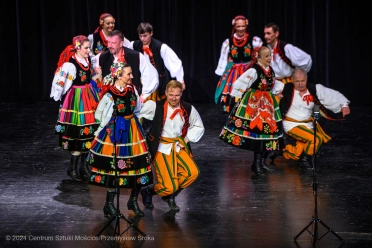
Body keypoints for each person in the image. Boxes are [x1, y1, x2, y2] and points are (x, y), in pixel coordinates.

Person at [88, 62, 153, 217]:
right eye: (128, 74)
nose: (132, 76)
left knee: (138, 165)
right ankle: (109, 204)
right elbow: (99, 114)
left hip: (133, 129)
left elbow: (136, 108)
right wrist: (106, 128)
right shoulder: (110, 95)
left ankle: (133, 201)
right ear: (119, 75)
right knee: (114, 168)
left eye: (131, 73)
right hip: (117, 130)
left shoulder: (132, 90)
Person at [138, 80, 205, 211]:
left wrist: (186, 138)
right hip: (161, 147)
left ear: (181, 94)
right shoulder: (155, 106)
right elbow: (137, 115)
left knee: (192, 173)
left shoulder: (187, 108)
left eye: (177, 95)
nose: (173, 98)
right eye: (171, 95)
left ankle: (168, 194)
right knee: (169, 186)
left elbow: (198, 125)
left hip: (178, 145)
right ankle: (151, 191)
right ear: (166, 93)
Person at [219, 46, 285, 176]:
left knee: (267, 133)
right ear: (257, 57)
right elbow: (240, 83)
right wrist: (232, 98)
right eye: (266, 56)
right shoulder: (254, 71)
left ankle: (260, 163)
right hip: (255, 105)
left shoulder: (270, 70)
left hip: (267, 105)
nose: (269, 58)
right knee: (258, 132)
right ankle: (256, 164)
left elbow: (273, 84)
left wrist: (279, 91)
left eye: (270, 55)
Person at [266, 68, 350, 170]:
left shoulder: (314, 89)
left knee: (299, 152)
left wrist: (343, 105)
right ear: (291, 80)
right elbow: (267, 82)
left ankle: (279, 151)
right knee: (315, 139)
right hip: (292, 124)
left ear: (306, 79)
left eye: (303, 81)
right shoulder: (285, 88)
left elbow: (331, 95)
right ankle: (304, 161)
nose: (300, 84)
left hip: (308, 124)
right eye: (297, 81)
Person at [50, 35, 100, 182]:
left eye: (88, 48)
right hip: (77, 99)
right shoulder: (70, 64)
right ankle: (72, 168)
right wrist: (59, 98)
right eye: (85, 48)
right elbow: (60, 82)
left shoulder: (88, 60)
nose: (88, 50)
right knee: (78, 134)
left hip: (89, 95)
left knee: (89, 133)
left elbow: (90, 77)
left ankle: (83, 167)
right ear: (78, 48)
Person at [94, 30, 158, 103]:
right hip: (110, 102)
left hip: (131, 101)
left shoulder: (136, 56)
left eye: (113, 43)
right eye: (108, 42)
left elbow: (151, 75)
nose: (109, 46)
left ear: (121, 43)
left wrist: (144, 95)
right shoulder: (102, 57)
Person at [125, 22, 185, 101]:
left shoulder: (160, 47)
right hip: (142, 81)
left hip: (157, 81)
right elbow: (124, 45)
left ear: (151, 33)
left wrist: (180, 80)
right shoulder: (135, 45)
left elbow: (174, 62)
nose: (142, 39)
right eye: (140, 36)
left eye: (145, 36)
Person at [215, 15, 262, 113]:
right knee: (234, 89)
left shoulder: (254, 40)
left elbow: (261, 55)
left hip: (249, 69)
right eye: (238, 26)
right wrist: (222, 73)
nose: (241, 29)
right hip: (235, 70)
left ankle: (248, 108)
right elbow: (223, 59)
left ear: (246, 26)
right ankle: (233, 109)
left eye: (243, 26)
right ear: (234, 27)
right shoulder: (228, 42)